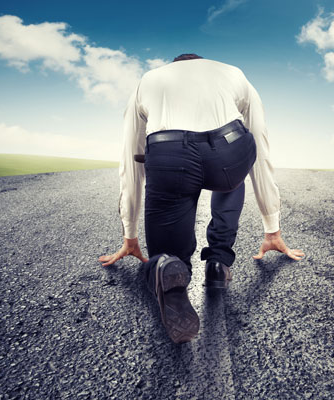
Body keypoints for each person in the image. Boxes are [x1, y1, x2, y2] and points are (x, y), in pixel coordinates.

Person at [99, 54, 304, 344]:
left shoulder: (148, 80)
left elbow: (130, 159)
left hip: (170, 153)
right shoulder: (234, 72)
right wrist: (272, 227)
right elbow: (260, 144)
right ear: (203, 62)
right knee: (234, 174)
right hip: (228, 151)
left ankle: (170, 267)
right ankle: (218, 262)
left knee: (167, 250)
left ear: (174, 64)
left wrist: (130, 235)